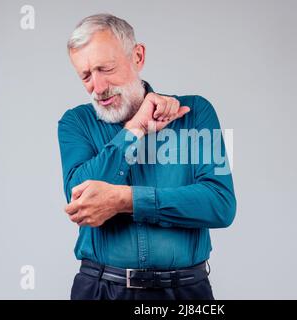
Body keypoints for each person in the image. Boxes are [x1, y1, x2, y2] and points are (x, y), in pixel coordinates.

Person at [57, 13, 236, 300]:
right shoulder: (75, 123)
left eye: (106, 68)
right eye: (86, 76)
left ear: (137, 56)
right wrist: (135, 129)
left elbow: (220, 204)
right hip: (100, 290)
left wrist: (125, 200)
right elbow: (81, 203)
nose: (98, 88)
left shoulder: (196, 113)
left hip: (186, 293)